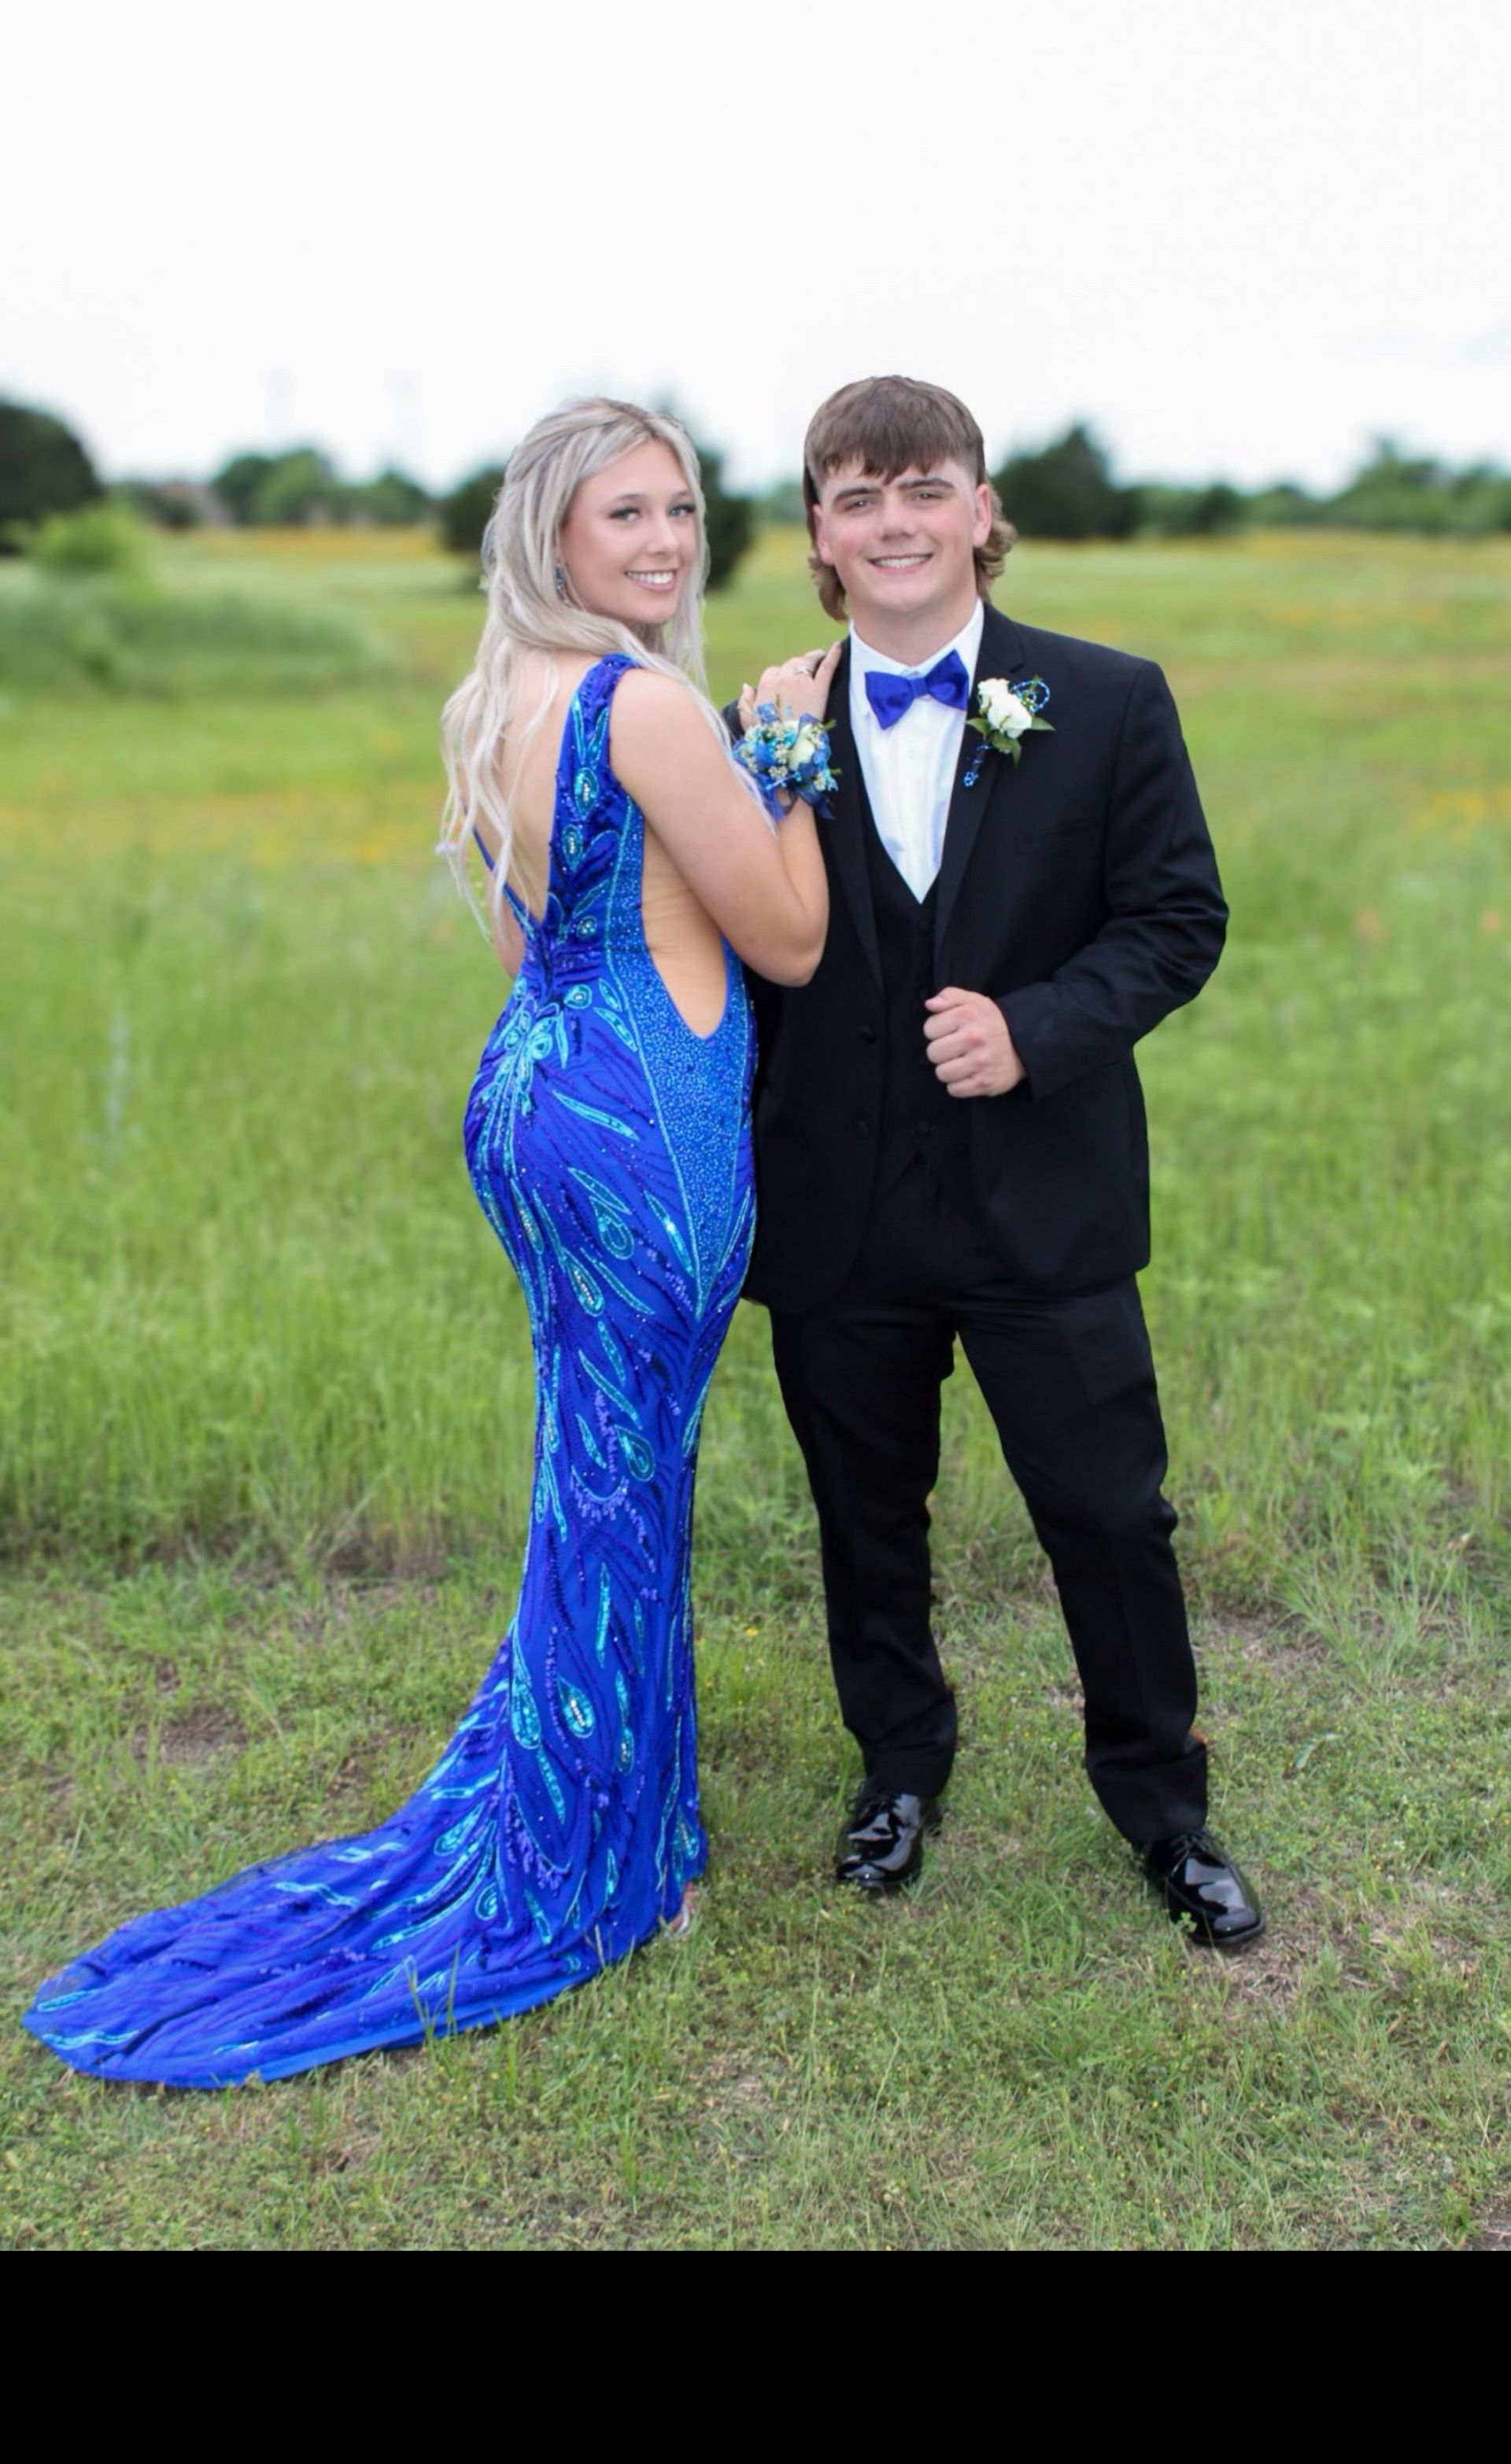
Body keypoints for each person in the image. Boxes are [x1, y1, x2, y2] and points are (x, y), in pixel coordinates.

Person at [23, 398, 838, 2086]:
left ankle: (618, 1813)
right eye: (631, 516)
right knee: (627, 1484)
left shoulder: (493, 696)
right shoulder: (650, 706)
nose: (670, 541)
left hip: (535, 1093)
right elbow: (792, 939)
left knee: (593, 1466)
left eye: (684, 509)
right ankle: (604, 1867)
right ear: (557, 536)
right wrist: (788, 764)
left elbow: (519, 926)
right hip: (649, 1119)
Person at [730, 375, 1262, 1946]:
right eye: (853, 494)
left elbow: (1179, 920)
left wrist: (1038, 1026)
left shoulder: (1106, 698)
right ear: (821, 533)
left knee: (1108, 1511)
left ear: (979, 508)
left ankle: (1163, 1808)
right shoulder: (763, 724)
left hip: (1046, 1202)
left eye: (922, 487)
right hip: (839, 1206)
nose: (891, 521)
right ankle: (899, 1766)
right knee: (863, 1513)